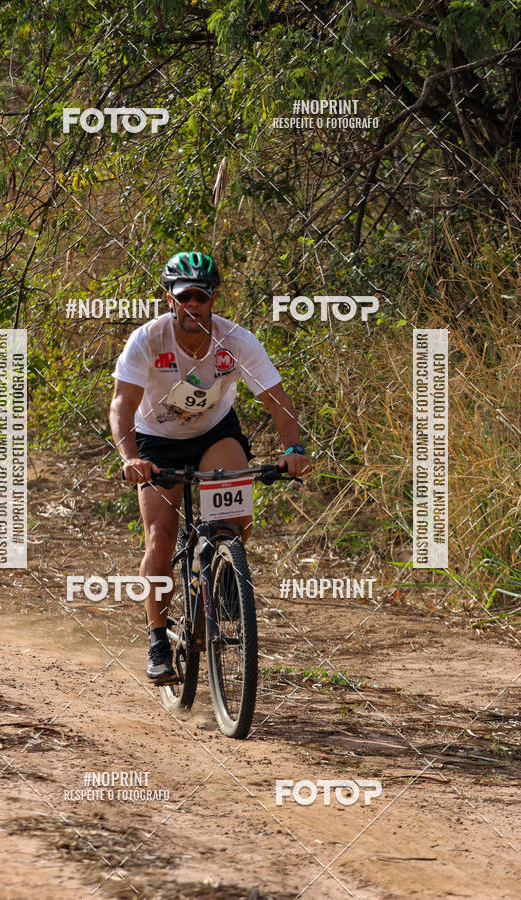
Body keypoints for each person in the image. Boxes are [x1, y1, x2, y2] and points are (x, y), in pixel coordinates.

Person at [109, 251, 312, 683]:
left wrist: (293, 447)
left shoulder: (236, 341)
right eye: (184, 298)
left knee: (232, 517)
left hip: (214, 433)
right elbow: (122, 404)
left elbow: (275, 399)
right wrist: (129, 458)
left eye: (200, 297)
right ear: (169, 299)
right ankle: (159, 639)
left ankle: (222, 573)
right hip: (156, 442)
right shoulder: (147, 340)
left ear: (213, 298)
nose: (192, 306)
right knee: (160, 535)